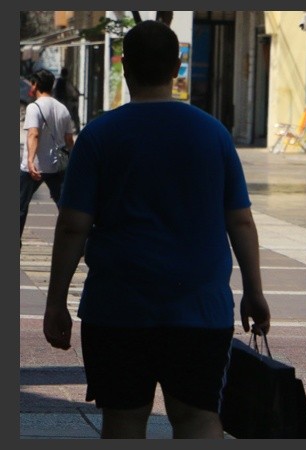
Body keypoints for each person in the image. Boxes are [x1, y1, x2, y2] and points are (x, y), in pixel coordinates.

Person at [42, 20, 271, 439]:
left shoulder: (99, 136)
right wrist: (254, 292)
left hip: (117, 308)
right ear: (177, 66)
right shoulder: (213, 134)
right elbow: (240, 219)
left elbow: (73, 226)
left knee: (124, 419)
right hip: (200, 309)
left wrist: (56, 301)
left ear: (125, 65)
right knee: (198, 417)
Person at [21, 69, 75, 248]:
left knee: (19, 207)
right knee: (64, 206)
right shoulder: (62, 108)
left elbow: (33, 134)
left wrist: (30, 160)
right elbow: (69, 140)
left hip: (33, 167)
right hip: (57, 166)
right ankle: (74, 243)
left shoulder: (33, 107)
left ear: (35, 85)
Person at [54, 67, 82, 134]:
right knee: (72, 116)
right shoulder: (66, 82)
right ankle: (73, 129)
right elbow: (72, 92)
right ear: (67, 74)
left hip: (62, 102)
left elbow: (54, 92)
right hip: (68, 102)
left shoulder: (58, 82)